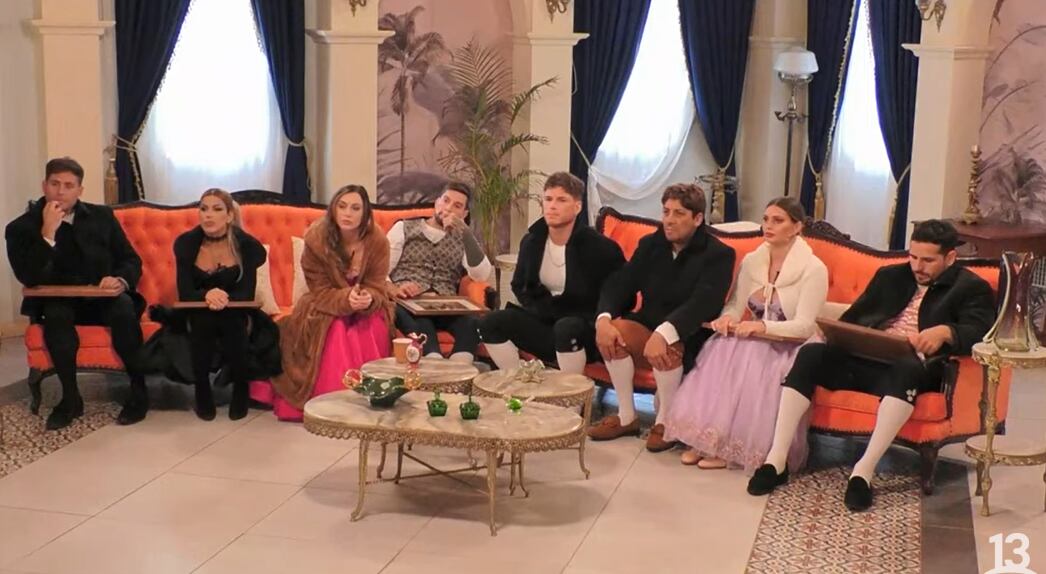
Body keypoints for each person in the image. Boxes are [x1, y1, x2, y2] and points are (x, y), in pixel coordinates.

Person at [746, 219, 996, 512]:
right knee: (811, 355)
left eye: (928, 261)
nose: (917, 266)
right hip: (867, 357)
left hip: (916, 367)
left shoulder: (971, 288)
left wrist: (946, 332)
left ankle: (862, 472)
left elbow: (982, 331)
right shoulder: (890, 276)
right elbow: (856, 317)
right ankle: (776, 460)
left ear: (950, 257)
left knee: (907, 367)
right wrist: (836, 333)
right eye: (913, 257)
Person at [663, 197, 828, 471]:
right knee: (723, 345)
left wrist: (764, 327)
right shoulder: (753, 260)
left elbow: (806, 326)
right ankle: (708, 440)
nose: (768, 226)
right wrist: (727, 319)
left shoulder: (814, 269)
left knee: (751, 354)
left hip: (791, 344)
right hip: (757, 335)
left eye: (778, 220)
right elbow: (735, 305)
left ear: (797, 227)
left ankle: (732, 449)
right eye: (766, 219)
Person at [587, 183, 735, 452]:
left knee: (667, 346)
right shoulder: (650, 244)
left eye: (679, 213)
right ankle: (626, 416)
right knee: (613, 333)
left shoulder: (719, 254)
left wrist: (665, 332)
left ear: (697, 218)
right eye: (666, 211)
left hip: (691, 334)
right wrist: (603, 319)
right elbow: (620, 283)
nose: (669, 219)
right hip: (647, 325)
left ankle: (666, 422)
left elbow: (704, 303)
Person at [5, 157, 148, 429]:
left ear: (80, 190)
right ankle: (70, 399)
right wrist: (47, 234)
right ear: (44, 185)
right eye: (55, 184)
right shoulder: (20, 228)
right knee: (56, 316)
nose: (61, 191)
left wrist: (119, 280)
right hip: (58, 300)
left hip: (101, 298)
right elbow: (28, 277)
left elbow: (130, 260)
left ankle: (139, 392)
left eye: (69, 186)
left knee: (123, 309)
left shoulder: (102, 217)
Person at [478, 172, 625, 373]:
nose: (552, 206)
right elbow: (519, 284)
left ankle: (571, 391)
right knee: (491, 322)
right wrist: (540, 305)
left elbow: (619, 291)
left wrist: (601, 318)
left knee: (566, 328)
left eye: (561, 200)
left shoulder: (601, 248)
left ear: (577, 207)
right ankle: (519, 381)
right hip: (544, 320)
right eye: (548, 199)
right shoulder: (532, 241)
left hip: (584, 328)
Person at [270, 185, 392, 421]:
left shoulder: (377, 240)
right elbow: (319, 290)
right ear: (333, 209)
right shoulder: (317, 239)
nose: (347, 213)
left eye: (355, 208)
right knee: (336, 328)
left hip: (365, 304)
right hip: (324, 302)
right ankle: (335, 404)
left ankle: (371, 398)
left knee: (372, 326)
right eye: (342, 206)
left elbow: (377, 285)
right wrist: (346, 299)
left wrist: (368, 298)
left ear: (365, 212)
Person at [173, 189, 272, 421]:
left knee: (232, 321)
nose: (208, 215)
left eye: (217, 209)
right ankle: (202, 390)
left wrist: (222, 297)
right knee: (203, 320)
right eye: (203, 209)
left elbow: (246, 292)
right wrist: (207, 295)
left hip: (237, 310)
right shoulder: (187, 244)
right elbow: (185, 292)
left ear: (229, 216)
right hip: (198, 310)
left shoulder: (245, 245)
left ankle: (240, 389)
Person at [388, 181, 491, 363]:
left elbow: (481, 275)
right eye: (446, 201)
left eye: (457, 206)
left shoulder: (463, 237)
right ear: (437, 203)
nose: (448, 208)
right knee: (423, 325)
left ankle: (459, 370)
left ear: (464, 214)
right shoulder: (403, 228)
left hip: (446, 306)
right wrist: (395, 289)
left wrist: (465, 232)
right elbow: (379, 270)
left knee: (472, 323)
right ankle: (434, 364)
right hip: (409, 304)